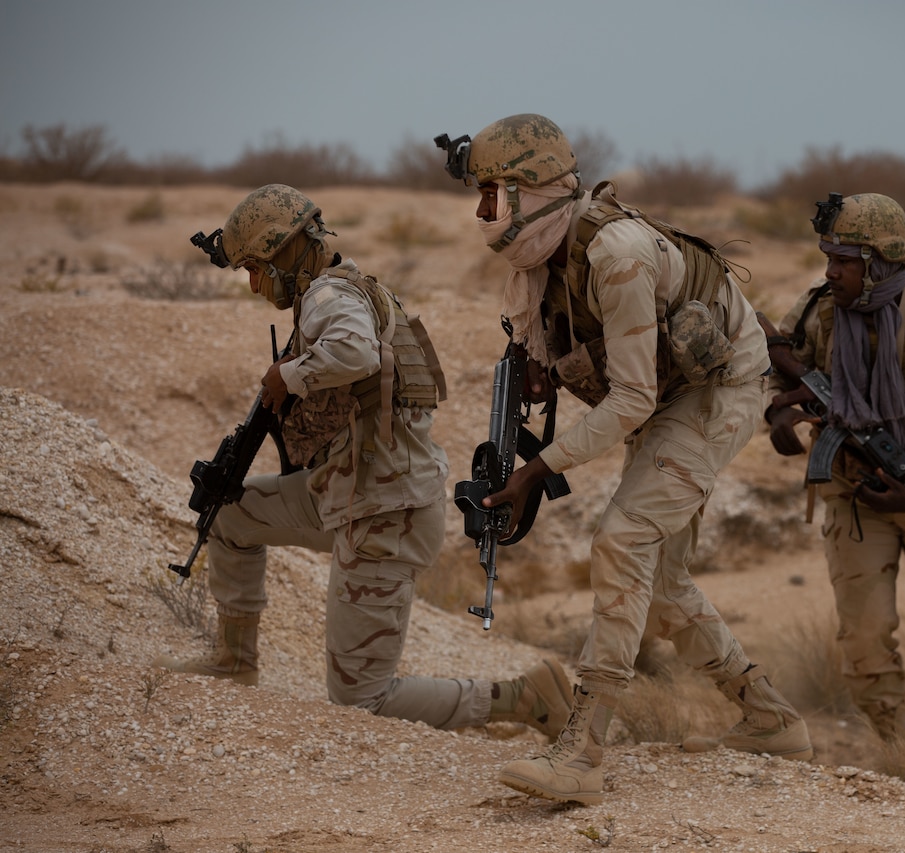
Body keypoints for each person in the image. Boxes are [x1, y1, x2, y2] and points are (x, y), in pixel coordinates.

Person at [436, 114, 811, 805]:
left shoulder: (617, 254)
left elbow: (633, 397)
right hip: (669, 390)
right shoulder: (533, 268)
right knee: (660, 580)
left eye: (493, 195)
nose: (482, 212)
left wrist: (537, 471)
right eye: (479, 195)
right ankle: (770, 716)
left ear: (531, 194)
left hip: (718, 388)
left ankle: (582, 751)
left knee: (622, 539)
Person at [154, 184, 572, 738]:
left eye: (256, 268)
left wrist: (288, 376)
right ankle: (235, 663)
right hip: (347, 490)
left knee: (360, 701)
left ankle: (524, 698)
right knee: (233, 514)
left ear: (285, 252)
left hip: (384, 512)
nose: (254, 285)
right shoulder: (331, 292)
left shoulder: (331, 296)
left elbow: (356, 353)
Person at [762, 192, 905, 766]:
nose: (830, 270)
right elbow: (773, 367)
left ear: (880, 262)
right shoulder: (816, 313)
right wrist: (779, 412)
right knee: (864, 636)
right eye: (827, 256)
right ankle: (897, 746)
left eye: (845, 259)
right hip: (854, 491)